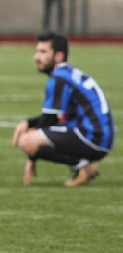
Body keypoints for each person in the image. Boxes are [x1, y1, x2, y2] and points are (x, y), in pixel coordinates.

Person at [12, 31, 114, 187]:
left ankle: (83, 165)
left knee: (26, 140)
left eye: (43, 52)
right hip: (100, 137)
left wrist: (32, 153)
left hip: (91, 137)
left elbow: (48, 120)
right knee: (36, 133)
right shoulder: (68, 73)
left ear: (58, 56)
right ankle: (83, 165)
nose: (36, 57)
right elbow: (57, 118)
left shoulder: (59, 78)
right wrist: (28, 123)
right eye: (37, 51)